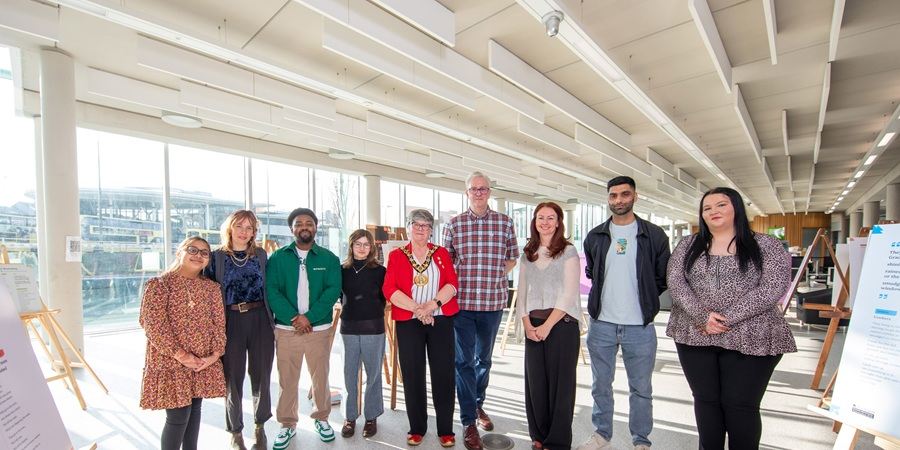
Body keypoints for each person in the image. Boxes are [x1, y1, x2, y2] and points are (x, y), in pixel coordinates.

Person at [666, 187, 795, 450]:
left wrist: (726, 319)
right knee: (706, 402)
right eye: (707, 208)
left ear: (736, 207)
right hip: (695, 334)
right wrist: (702, 316)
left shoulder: (765, 244)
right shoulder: (688, 245)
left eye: (721, 205)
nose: (713, 211)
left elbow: (773, 287)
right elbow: (676, 282)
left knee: (740, 406)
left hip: (752, 336)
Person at [578, 176, 670, 450]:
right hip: (601, 324)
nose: (619, 200)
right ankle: (601, 435)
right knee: (600, 386)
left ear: (635, 197)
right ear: (608, 198)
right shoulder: (596, 235)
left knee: (641, 389)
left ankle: (641, 441)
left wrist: (643, 299)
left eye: (624, 194)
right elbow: (593, 270)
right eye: (613, 195)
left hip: (639, 326)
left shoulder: (654, 235)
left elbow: (661, 277)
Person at [442, 171, 519, 450]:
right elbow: (446, 264)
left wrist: (497, 272)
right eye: (474, 189)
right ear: (466, 193)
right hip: (461, 305)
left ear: (489, 192)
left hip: (491, 303)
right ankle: (468, 422)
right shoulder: (453, 224)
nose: (478, 193)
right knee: (463, 363)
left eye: (483, 188)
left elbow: (513, 257)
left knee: (483, 361)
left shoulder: (505, 222)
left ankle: (477, 405)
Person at [139, 237, 225, 450]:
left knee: (194, 411)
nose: (199, 255)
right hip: (173, 361)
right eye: (193, 250)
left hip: (202, 362)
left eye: (204, 253)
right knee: (178, 417)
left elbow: (219, 325)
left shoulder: (211, 288)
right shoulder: (159, 285)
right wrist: (182, 356)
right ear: (180, 252)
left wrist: (213, 356)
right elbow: (153, 326)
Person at [383, 209, 460, 448]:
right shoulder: (396, 255)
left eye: (426, 225)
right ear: (408, 227)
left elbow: (452, 285)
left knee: (443, 374)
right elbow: (390, 289)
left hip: (440, 320)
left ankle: (445, 429)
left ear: (431, 230)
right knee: (413, 374)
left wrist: (432, 305)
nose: (421, 229)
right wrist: (418, 309)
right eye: (416, 224)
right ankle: (417, 427)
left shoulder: (441, 253)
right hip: (409, 321)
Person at [267, 208, 342, 449]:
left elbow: (332, 291)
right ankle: (287, 424)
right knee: (287, 378)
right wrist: (294, 317)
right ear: (292, 229)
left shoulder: (329, 259)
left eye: (309, 222)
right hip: (286, 329)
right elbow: (272, 291)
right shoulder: (278, 258)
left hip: (318, 329)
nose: (304, 226)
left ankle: (322, 419)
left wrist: (308, 318)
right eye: (299, 223)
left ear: (316, 227)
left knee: (320, 376)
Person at [204, 210, 273, 450]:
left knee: (262, 374)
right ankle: (235, 431)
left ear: (254, 232)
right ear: (230, 228)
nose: (244, 232)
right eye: (240, 226)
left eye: (249, 227)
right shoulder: (216, 258)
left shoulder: (261, 255)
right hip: (230, 320)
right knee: (232, 377)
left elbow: (271, 289)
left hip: (260, 319)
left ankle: (260, 425)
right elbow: (207, 294)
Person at [516, 203, 582, 450]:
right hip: (533, 324)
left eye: (550, 218)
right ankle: (539, 436)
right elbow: (521, 293)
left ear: (558, 222)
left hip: (562, 326)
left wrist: (548, 326)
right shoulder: (528, 253)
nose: (545, 222)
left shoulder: (568, 251)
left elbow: (568, 294)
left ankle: (557, 442)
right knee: (536, 384)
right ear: (534, 221)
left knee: (560, 387)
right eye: (540, 217)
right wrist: (527, 324)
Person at [339, 229, 387, 439]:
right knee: (349, 373)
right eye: (357, 244)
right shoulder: (341, 270)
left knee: (373, 374)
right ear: (351, 246)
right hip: (348, 327)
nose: (361, 248)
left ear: (372, 247)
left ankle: (371, 416)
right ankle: (350, 417)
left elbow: (384, 298)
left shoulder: (380, 271)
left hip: (373, 328)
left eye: (365, 244)